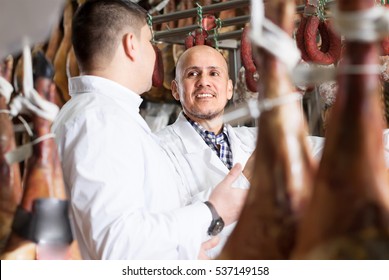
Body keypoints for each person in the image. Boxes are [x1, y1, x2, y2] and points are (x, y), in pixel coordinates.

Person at [51, 0, 248, 260]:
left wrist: (184, 252)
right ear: (131, 45)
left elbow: (135, 228)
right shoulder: (100, 120)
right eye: (150, 41)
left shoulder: (106, 115)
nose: (154, 53)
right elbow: (115, 245)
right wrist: (211, 211)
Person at [156, 45, 257, 258]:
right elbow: (168, 230)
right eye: (193, 73)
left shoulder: (253, 139)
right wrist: (245, 179)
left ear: (229, 89)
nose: (204, 81)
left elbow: (322, 148)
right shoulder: (157, 149)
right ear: (175, 89)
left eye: (214, 73)